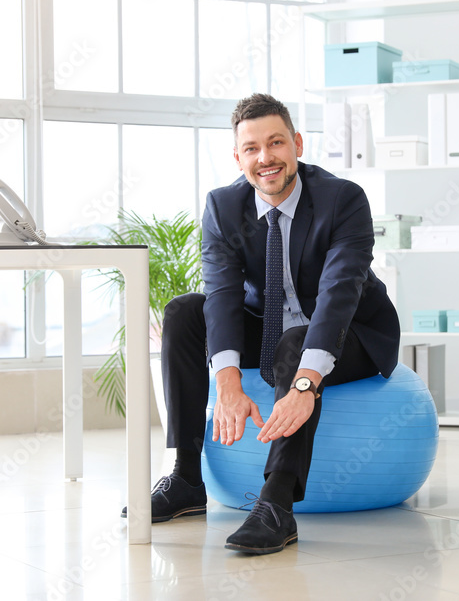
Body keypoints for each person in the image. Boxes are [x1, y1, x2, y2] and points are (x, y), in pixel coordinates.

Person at [128, 92, 400, 555]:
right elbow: (222, 295)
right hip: (270, 333)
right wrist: (228, 382)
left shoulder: (343, 199)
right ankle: (187, 479)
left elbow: (339, 293)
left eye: (276, 143)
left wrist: (305, 384)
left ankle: (276, 505)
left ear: (296, 144)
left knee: (297, 341)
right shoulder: (223, 206)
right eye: (252, 148)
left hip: (351, 334)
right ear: (238, 157)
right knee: (182, 312)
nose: (265, 158)